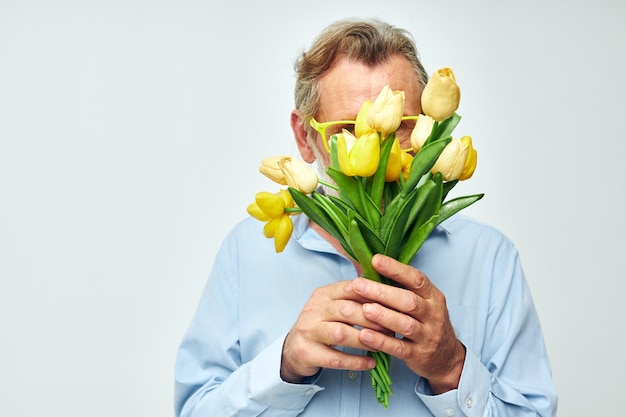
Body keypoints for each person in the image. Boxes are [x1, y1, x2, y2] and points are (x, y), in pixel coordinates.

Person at [174, 18, 558, 416]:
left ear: (431, 128)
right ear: (305, 137)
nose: (373, 148)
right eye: (345, 128)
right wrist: (284, 364)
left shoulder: (489, 258)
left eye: (400, 127)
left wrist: (450, 367)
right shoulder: (246, 252)